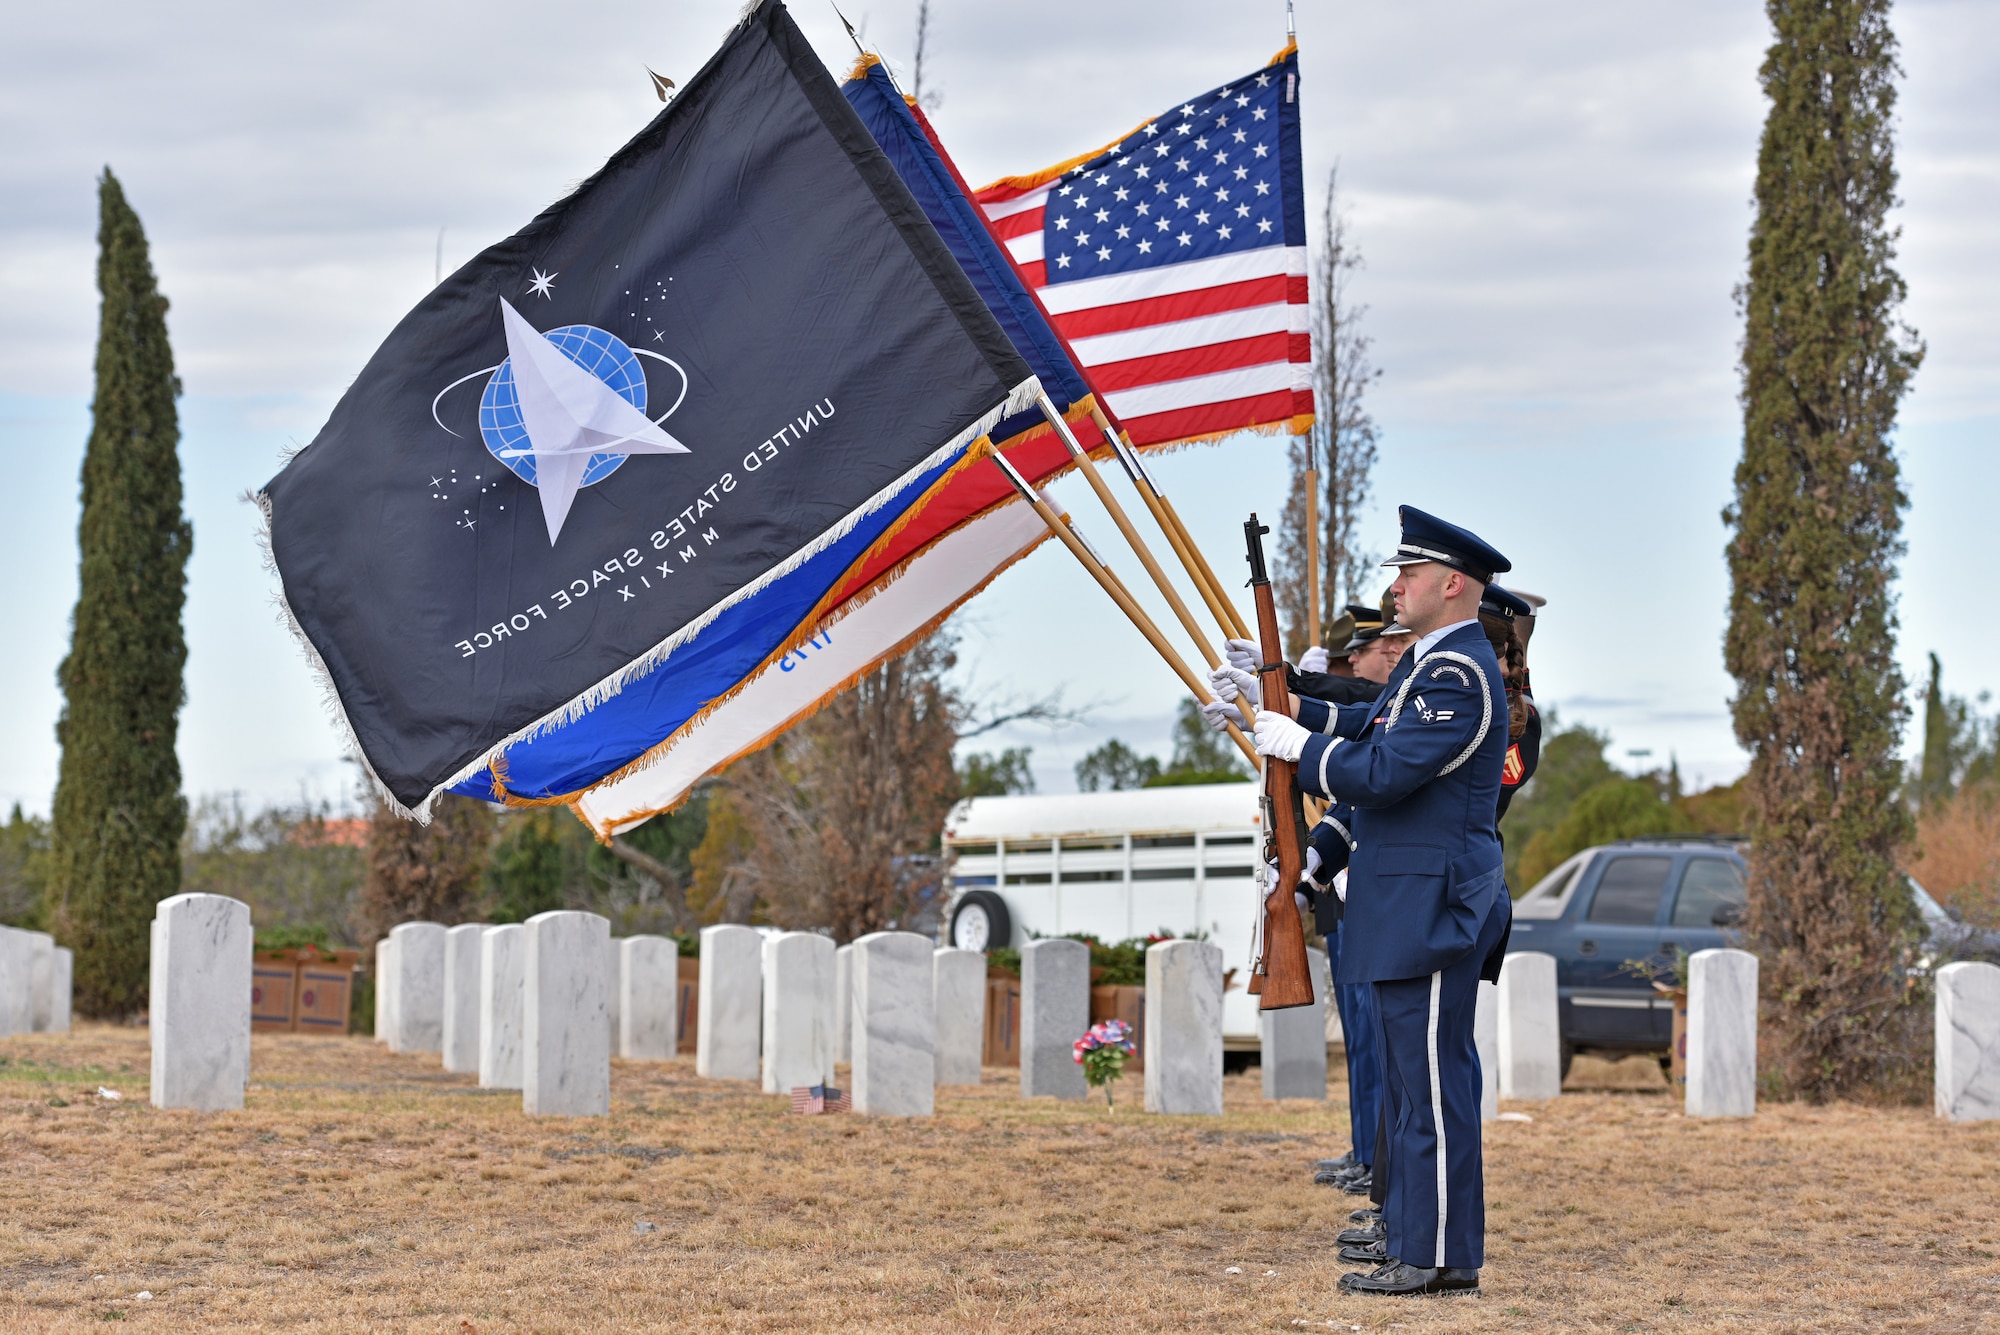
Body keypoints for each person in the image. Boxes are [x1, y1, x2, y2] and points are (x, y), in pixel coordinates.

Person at [1244, 505, 1512, 1298]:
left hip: (1431, 907)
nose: (1397, 586)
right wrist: (1289, 705)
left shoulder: (1460, 672)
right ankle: (1434, 1242)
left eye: (1410, 572)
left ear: (1452, 582)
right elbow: (1370, 722)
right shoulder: (1431, 666)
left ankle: (1429, 1254)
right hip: (1410, 904)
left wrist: (1304, 751)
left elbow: (1386, 769)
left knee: (1428, 1083)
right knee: (1417, 1083)